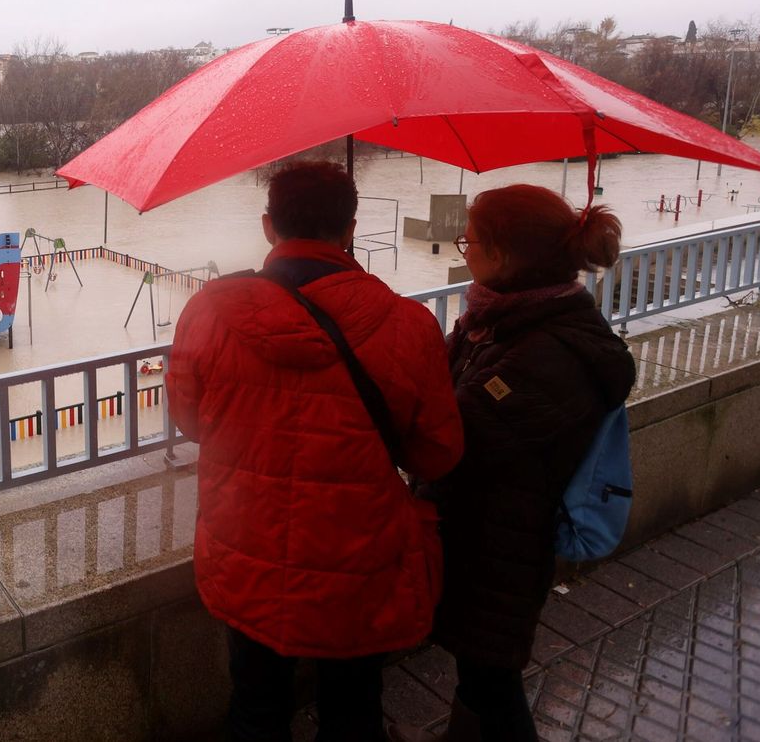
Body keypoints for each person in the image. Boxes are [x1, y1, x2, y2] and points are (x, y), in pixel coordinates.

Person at [168, 161, 464, 741]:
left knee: (255, 704)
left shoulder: (210, 310)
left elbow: (191, 421)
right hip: (359, 559)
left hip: (244, 551)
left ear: (267, 226)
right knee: (353, 709)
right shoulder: (406, 323)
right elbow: (438, 455)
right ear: (351, 229)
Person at [410, 185, 635, 741]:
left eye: (471, 240)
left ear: (504, 256)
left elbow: (453, 438)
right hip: (484, 535)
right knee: (481, 672)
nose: (464, 250)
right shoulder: (502, 319)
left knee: (491, 677)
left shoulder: (547, 352)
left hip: (503, 545)